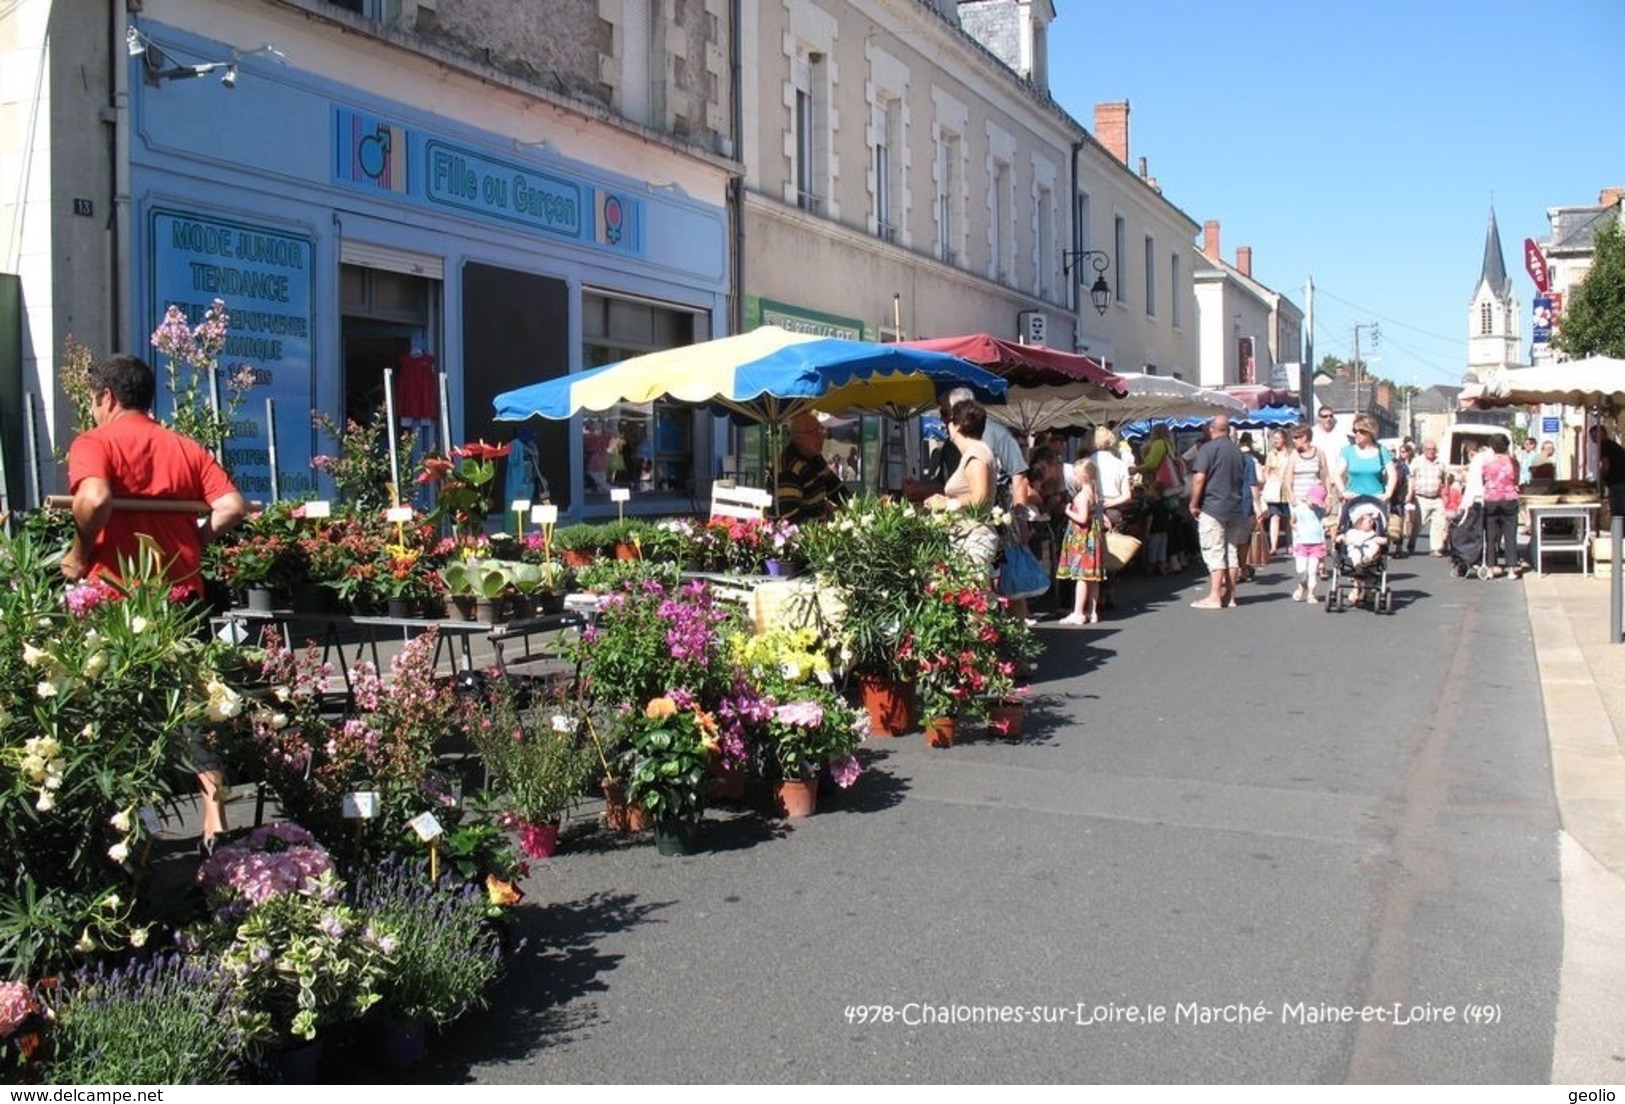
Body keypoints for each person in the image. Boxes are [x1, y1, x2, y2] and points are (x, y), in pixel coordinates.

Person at [64, 352, 248, 851]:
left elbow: (96, 499)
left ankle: (128, 831)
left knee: (113, 713)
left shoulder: (94, 443)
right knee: (193, 706)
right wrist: (197, 538)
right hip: (182, 596)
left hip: (117, 601)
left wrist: (80, 554)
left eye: (93, 400)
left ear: (106, 397)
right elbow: (232, 507)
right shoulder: (185, 448)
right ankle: (215, 817)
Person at [924, 399, 1001, 573]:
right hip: (968, 535)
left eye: (949, 420)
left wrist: (947, 503)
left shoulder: (976, 453)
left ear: (958, 425)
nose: (945, 425)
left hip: (974, 538)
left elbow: (980, 496)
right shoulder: (974, 452)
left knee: (973, 595)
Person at [1187, 413, 1251, 610]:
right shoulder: (1237, 452)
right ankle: (1231, 596)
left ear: (1212, 429)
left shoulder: (1208, 449)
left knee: (1214, 551)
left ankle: (1214, 595)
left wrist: (1193, 503)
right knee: (1231, 552)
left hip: (1213, 506)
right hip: (1235, 506)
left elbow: (1199, 478)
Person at [1055, 457, 1105, 625]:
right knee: (1092, 578)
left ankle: (1078, 612)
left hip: (1081, 537)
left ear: (1082, 476)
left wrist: (1068, 512)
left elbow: (1082, 518)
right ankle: (1092, 611)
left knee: (1081, 577)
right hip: (1091, 536)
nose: (1074, 478)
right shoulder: (1094, 492)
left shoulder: (1082, 496)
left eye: (1076, 475)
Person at [774, 413, 848, 523]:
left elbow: (836, 488)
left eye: (821, 430)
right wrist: (822, 531)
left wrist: (856, 509)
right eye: (816, 432)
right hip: (801, 537)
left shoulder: (815, 457)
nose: (823, 436)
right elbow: (790, 517)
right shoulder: (789, 469)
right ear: (798, 438)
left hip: (818, 532)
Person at [1481, 435, 1522, 578]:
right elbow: (1516, 480)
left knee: (1490, 535)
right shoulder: (1513, 463)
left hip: (1491, 499)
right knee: (1510, 535)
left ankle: (1491, 567)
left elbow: (1483, 480)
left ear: (1492, 446)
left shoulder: (1487, 462)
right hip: (1509, 498)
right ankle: (1511, 568)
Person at [1336, 416, 1397, 504]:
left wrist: (1388, 494)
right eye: (1355, 431)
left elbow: (1393, 475)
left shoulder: (1381, 451)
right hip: (1353, 500)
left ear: (1371, 433)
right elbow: (1337, 474)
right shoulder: (1348, 451)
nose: (1357, 434)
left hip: (1376, 500)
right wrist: (1344, 492)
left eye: (1362, 431)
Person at [1339, 502, 1389, 604]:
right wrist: (1341, 538)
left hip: (1370, 557)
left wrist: (1384, 540)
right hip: (1355, 553)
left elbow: (1380, 540)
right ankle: (1356, 588)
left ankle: (1368, 592)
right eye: (1369, 521)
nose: (1372, 523)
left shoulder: (1373, 534)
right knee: (1355, 554)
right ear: (1359, 523)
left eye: (1373, 521)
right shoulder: (1352, 532)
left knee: (1376, 545)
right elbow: (1344, 539)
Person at [1408, 439, 1449, 555]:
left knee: (1439, 523)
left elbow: (1445, 478)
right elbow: (1411, 477)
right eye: (1429, 449)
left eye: (1433, 449)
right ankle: (1412, 542)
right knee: (1418, 524)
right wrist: (1410, 493)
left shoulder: (1440, 462)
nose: (1432, 452)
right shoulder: (1417, 461)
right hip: (1421, 498)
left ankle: (1435, 548)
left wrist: (1446, 493)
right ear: (1424, 450)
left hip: (1436, 497)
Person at [1290, 484, 1329, 603]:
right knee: (1300, 569)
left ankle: (1311, 594)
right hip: (1301, 543)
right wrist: (1296, 528)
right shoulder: (1299, 509)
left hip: (1316, 544)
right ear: (1308, 497)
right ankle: (1302, 584)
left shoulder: (1321, 511)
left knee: (1312, 570)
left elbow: (1326, 518)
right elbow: (1292, 521)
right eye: (1313, 500)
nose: (1314, 504)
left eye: (1317, 502)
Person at [1260, 428, 1293, 556]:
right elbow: (1267, 471)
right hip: (1274, 489)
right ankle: (1273, 546)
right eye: (1274, 439)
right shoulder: (1271, 454)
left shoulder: (1291, 453)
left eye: (1278, 438)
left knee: (1288, 518)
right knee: (1275, 516)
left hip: (1287, 488)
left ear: (1284, 439)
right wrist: (1270, 482)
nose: (1276, 441)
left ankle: (1290, 544)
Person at [1591, 425, 1625, 518]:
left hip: (1618, 483)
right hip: (1619, 482)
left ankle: (1619, 532)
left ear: (1602, 434)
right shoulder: (1612, 445)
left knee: (1618, 514)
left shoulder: (1605, 446)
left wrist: (1600, 480)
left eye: (1594, 437)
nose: (1593, 441)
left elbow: (1606, 466)